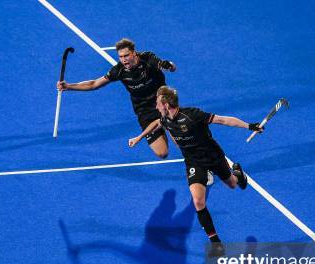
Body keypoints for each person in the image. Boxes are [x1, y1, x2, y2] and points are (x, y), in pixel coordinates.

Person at [128, 86, 264, 244]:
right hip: (193, 161)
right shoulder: (164, 118)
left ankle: (238, 175)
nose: (156, 106)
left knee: (233, 184)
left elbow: (223, 120)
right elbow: (156, 124)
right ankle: (215, 241)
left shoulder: (193, 115)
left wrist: (249, 126)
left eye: (158, 103)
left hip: (213, 155)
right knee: (198, 201)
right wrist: (139, 137)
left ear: (165, 104)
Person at [56, 38, 176, 160]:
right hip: (144, 111)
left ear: (134, 53)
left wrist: (169, 66)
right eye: (120, 57)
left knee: (179, 141)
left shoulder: (147, 58)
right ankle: (165, 127)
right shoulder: (119, 71)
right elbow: (94, 84)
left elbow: (167, 66)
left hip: (164, 105)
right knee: (162, 153)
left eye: (126, 55)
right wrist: (69, 86)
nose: (123, 60)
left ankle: (172, 129)